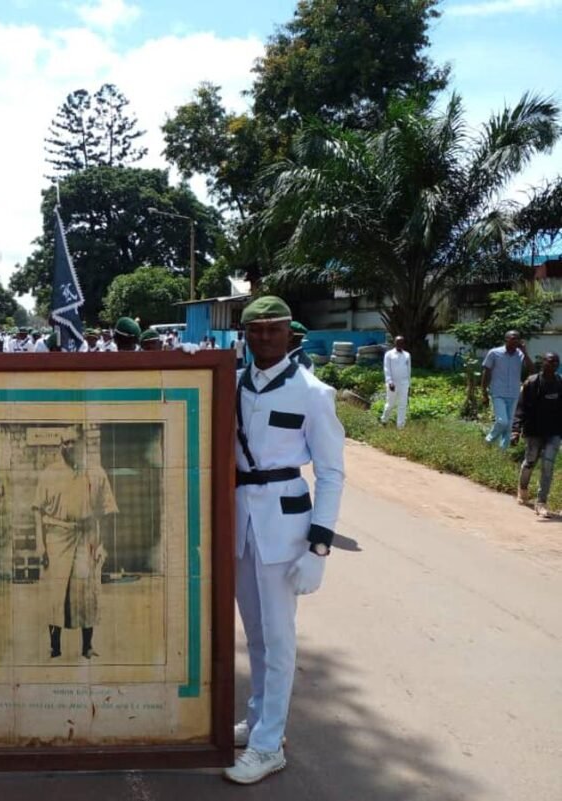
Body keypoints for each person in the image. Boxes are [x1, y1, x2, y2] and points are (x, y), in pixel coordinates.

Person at [225, 295, 344, 785]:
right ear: (246, 336)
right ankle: (259, 721)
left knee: (279, 637)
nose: (265, 339)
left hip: (285, 523)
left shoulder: (313, 393)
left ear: (290, 335)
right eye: (256, 331)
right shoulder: (230, 383)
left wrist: (319, 548)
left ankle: (269, 744)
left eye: (274, 330)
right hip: (238, 521)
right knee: (254, 633)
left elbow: (332, 473)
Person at [33, 428, 116, 660]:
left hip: (86, 537)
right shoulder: (49, 474)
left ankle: (87, 647)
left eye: (74, 442)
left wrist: (103, 545)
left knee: (86, 592)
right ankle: (55, 646)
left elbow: (107, 513)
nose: (69, 446)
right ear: (60, 445)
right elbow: (37, 512)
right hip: (56, 539)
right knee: (55, 594)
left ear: (83, 444)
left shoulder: (96, 474)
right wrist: (41, 545)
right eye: (65, 442)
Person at [511, 352, 562, 517]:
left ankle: (541, 502)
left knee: (548, 465)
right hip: (534, 430)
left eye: (556, 362)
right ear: (543, 363)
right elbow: (521, 408)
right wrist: (516, 430)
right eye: (550, 361)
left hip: (554, 431)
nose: (553, 364)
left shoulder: (560, 383)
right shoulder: (532, 382)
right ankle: (523, 488)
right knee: (530, 461)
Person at [482, 330, 533, 449]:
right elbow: (487, 372)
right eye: (513, 338)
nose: (515, 341)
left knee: (509, 426)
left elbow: (532, 370)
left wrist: (525, 352)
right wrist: (484, 392)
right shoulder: (494, 353)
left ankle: (502, 453)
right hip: (498, 392)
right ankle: (488, 440)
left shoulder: (520, 354)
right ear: (506, 340)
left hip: (514, 393)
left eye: (517, 338)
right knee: (502, 422)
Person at [380, 336, 412, 429]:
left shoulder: (407, 355)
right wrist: (390, 381)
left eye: (402, 342)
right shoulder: (389, 354)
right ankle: (384, 420)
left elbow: (408, 370)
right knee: (390, 404)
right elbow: (386, 368)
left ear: (404, 344)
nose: (400, 344)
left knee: (403, 404)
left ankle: (400, 426)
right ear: (395, 343)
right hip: (392, 384)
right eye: (398, 342)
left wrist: (409, 385)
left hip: (404, 383)